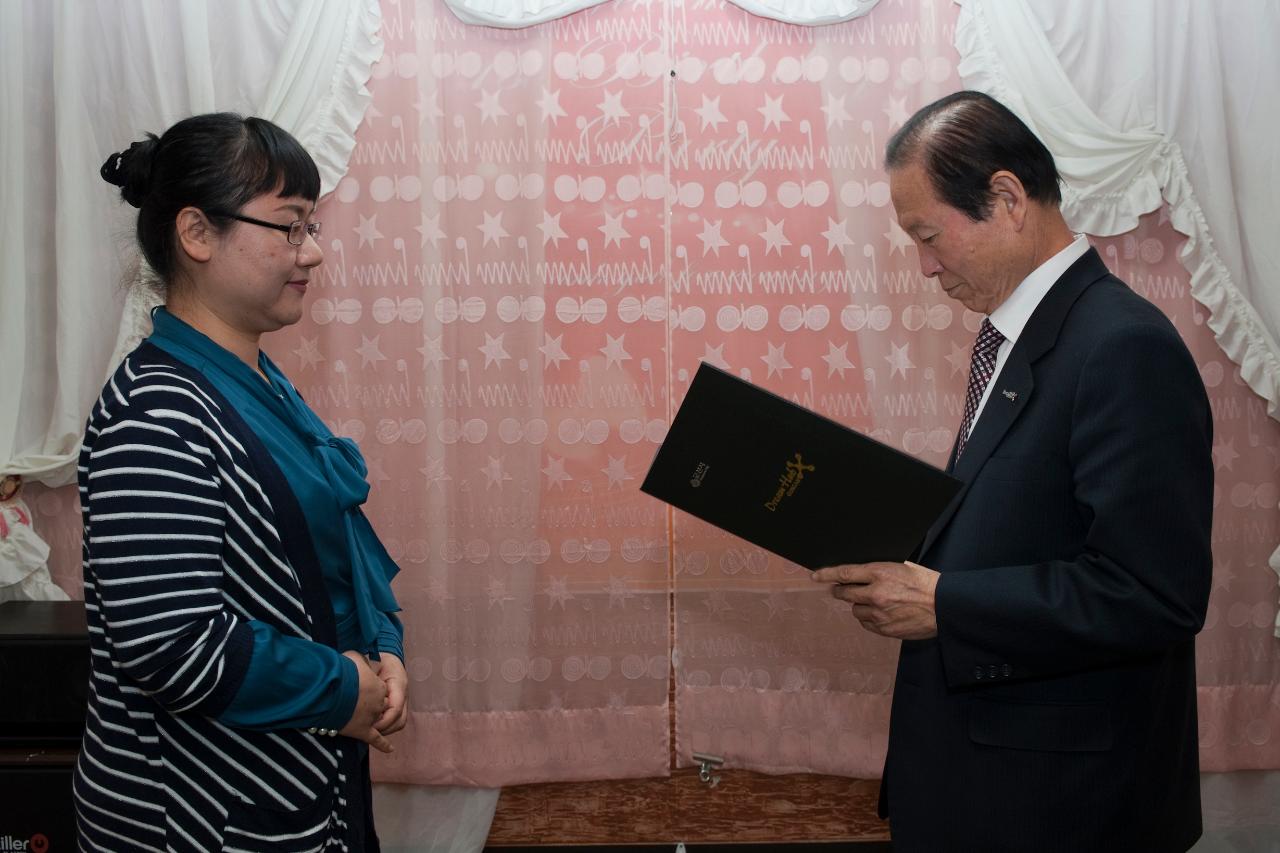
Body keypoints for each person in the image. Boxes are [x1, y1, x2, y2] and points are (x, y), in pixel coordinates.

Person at [812, 91, 1213, 852]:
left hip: (1065, 808)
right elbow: (1028, 523)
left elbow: (1154, 592)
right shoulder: (1024, 335)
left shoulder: (1123, 346)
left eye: (929, 235)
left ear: (1006, 198)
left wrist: (947, 603)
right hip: (995, 787)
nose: (925, 267)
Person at [77, 113, 408, 851]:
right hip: (199, 818)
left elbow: (337, 547)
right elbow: (175, 643)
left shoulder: (259, 383)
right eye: (290, 228)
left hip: (295, 788)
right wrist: (343, 687)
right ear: (197, 234)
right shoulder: (153, 413)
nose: (313, 253)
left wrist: (384, 646)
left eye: (311, 226)